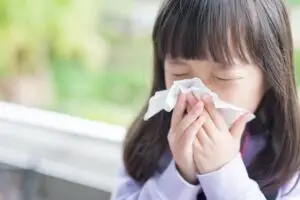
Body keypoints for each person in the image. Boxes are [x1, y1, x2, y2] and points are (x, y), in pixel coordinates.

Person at [111, 0, 300, 199]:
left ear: (271, 76)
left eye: (223, 77)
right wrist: (180, 176)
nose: (199, 96)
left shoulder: (290, 159)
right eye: (179, 73)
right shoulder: (147, 143)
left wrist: (223, 173)